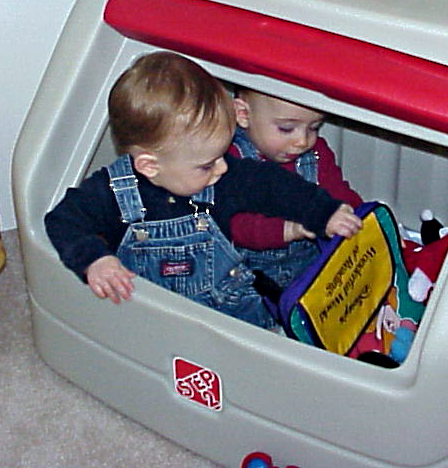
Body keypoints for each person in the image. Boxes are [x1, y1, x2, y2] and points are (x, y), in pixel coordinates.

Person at [44, 51, 362, 329]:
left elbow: (275, 186)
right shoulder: (111, 191)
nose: (222, 168)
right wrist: (95, 260)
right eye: (207, 164)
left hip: (231, 313)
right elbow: (63, 220)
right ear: (149, 166)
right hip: (152, 319)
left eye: (221, 156)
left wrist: (325, 213)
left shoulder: (221, 177)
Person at [229, 87, 364, 292]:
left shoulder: (316, 153)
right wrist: (290, 229)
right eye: (286, 128)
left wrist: (363, 220)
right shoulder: (231, 158)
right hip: (250, 278)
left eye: (314, 127)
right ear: (243, 114)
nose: (302, 141)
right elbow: (234, 226)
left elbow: (338, 192)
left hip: (310, 265)